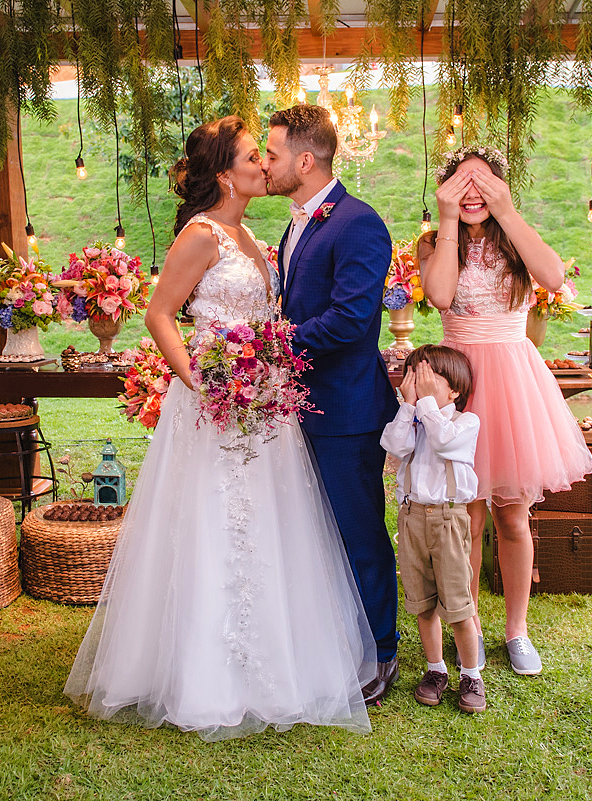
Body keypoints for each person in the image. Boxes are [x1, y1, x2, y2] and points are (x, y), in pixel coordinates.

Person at [65, 116, 376, 741]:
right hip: (215, 405)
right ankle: (204, 671)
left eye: (268, 153)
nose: (264, 163)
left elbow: (271, 324)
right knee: (212, 524)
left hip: (263, 405)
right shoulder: (201, 235)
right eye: (252, 155)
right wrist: (199, 382)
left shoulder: (255, 238)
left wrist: (258, 371)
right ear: (225, 173)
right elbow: (159, 315)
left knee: (273, 525)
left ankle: (279, 662)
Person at [418, 146, 592, 676]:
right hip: (461, 382)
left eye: (483, 183)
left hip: (515, 380)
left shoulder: (516, 235)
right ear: (446, 188)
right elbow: (442, 295)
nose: (472, 192)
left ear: (500, 187)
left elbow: (553, 275)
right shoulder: (434, 240)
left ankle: (516, 629)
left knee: (513, 515)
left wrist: (508, 210)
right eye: (460, 183)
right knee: (466, 518)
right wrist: (448, 219)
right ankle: (466, 624)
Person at [264, 105, 402, 704]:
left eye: (271, 155)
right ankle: (334, 642)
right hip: (297, 406)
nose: (264, 165)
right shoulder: (294, 225)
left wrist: (273, 342)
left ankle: (381, 652)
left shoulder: (358, 223)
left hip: (344, 411)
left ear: (304, 160)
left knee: (359, 531)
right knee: (314, 533)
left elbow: (351, 322)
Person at [380, 345, 486, 713]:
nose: (418, 383)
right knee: (422, 600)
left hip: (448, 519)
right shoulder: (411, 420)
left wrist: (423, 404)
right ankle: (435, 668)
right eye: (413, 376)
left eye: (427, 377)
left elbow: (443, 442)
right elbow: (392, 445)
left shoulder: (464, 423)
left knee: (457, 602)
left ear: (454, 390)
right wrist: (409, 406)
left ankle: (471, 674)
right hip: (412, 519)